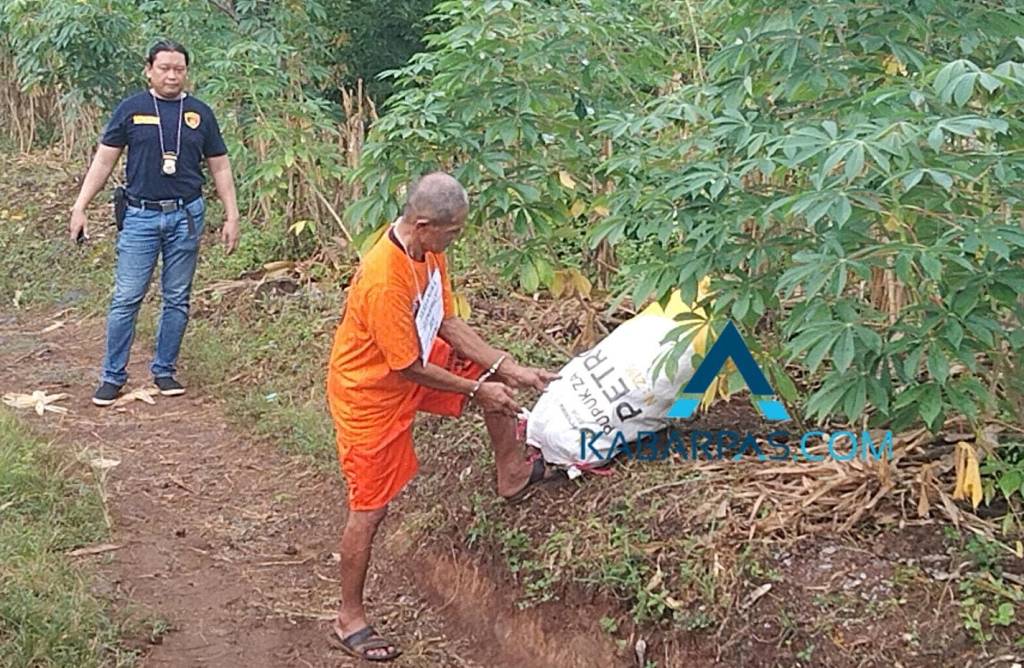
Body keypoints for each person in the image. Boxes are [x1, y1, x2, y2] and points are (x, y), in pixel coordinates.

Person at [325, 173, 561, 661]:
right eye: (453, 231)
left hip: (407, 361)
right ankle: (349, 618)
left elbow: (448, 323)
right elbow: (407, 364)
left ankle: (513, 473)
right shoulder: (383, 278)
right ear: (424, 223)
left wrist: (507, 368)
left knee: (484, 371)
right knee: (370, 509)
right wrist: (480, 389)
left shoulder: (429, 254)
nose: (457, 239)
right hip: (369, 392)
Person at [69, 39, 240, 406]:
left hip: (186, 216)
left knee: (177, 297)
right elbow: (104, 161)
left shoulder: (199, 113)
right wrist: (80, 206)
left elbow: (220, 165)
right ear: (149, 69)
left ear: (186, 72)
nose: (172, 75)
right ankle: (112, 376)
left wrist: (232, 214)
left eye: (179, 68)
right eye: (164, 68)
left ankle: (165, 370)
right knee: (127, 297)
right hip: (140, 216)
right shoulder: (131, 110)